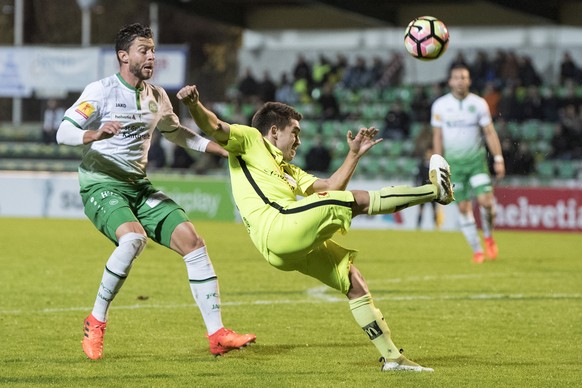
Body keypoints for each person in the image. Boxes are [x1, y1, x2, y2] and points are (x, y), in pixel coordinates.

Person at [176, 84, 455, 372]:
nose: (298, 140)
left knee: (352, 280)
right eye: (294, 132)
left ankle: (393, 358)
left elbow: (331, 186)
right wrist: (195, 104)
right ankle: (435, 192)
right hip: (278, 225)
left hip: (285, 245)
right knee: (354, 200)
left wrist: (354, 155)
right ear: (274, 131)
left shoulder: (288, 170)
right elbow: (215, 127)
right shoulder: (250, 140)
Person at [56, 23, 255, 360]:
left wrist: (218, 150)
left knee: (193, 242)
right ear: (123, 56)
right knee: (133, 239)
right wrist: (95, 135)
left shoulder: (157, 96)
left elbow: (177, 134)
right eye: (143, 50)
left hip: (137, 185)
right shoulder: (101, 91)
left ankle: (217, 334)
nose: (151, 56)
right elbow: (63, 132)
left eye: (152, 50)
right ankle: (96, 321)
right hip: (101, 184)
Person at [431, 64, 505, 264]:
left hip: (476, 162)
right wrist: (438, 166)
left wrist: (498, 158)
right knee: (463, 208)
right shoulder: (440, 105)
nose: (460, 81)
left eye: (464, 77)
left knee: (486, 202)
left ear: (469, 81)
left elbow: (489, 132)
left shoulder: (479, 103)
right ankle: (477, 249)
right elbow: (437, 137)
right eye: (456, 77)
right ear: (450, 81)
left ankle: (488, 236)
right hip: (454, 165)